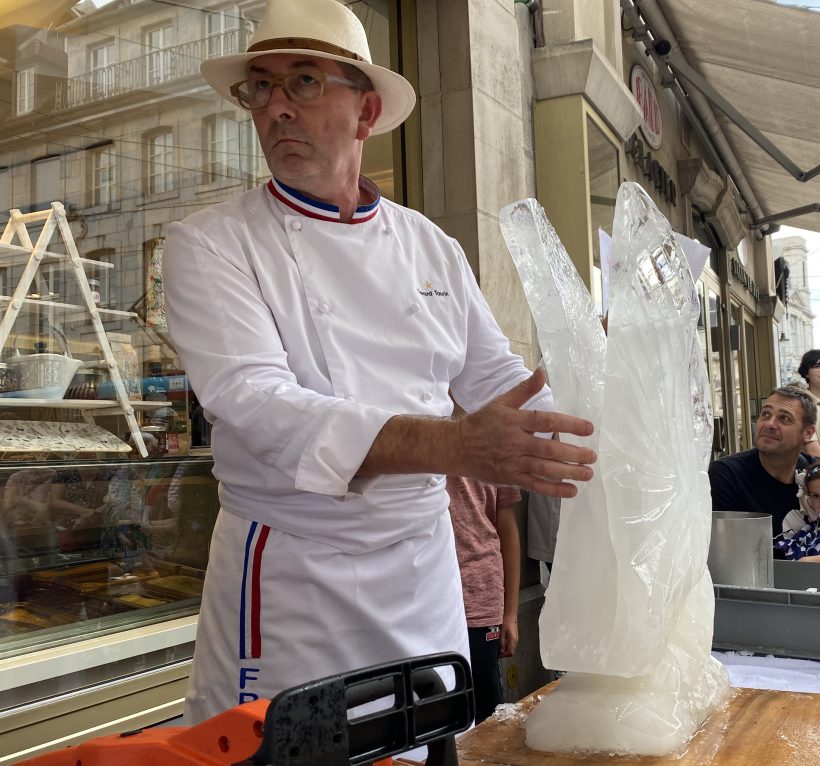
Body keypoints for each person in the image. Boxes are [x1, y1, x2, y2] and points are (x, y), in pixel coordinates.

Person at [163, 0, 596, 723]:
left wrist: (600, 395)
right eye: (260, 88)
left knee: (426, 740)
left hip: (421, 571)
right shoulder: (211, 244)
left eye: (303, 82)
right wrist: (457, 445)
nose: (275, 108)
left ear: (366, 113)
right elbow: (259, 404)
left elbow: (501, 387)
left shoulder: (430, 247)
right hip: (294, 583)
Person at [708, 385, 820, 558]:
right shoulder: (726, 475)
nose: (770, 424)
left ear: (808, 433)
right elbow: (722, 558)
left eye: (784, 418)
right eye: (765, 414)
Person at [446, 476, 521, 723]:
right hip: (432, 602)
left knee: (486, 713)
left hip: (481, 599)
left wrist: (510, 614)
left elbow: (508, 530)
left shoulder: (497, 446)